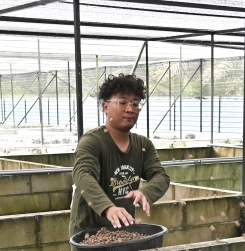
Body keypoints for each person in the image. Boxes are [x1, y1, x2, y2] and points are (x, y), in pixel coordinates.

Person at [70, 73, 170, 236]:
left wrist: (145, 192)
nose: (130, 109)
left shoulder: (143, 145)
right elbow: (83, 175)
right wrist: (108, 208)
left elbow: (161, 176)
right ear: (106, 107)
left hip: (124, 231)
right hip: (89, 234)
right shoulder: (92, 142)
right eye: (122, 102)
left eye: (135, 104)